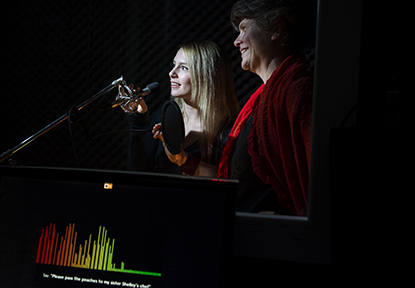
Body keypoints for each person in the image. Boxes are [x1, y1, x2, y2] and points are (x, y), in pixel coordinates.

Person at [217, 0, 317, 216]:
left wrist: (287, 219)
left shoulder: (297, 91)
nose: (236, 41)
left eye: (244, 29)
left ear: (275, 29)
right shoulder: (260, 99)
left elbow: (314, 177)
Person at [124, 40, 240, 177]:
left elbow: (230, 180)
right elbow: (136, 175)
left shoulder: (231, 130)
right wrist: (138, 122)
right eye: (174, 65)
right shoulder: (165, 115)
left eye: (184, 67)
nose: (171, 73)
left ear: (206, 76)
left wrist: (183, 160)